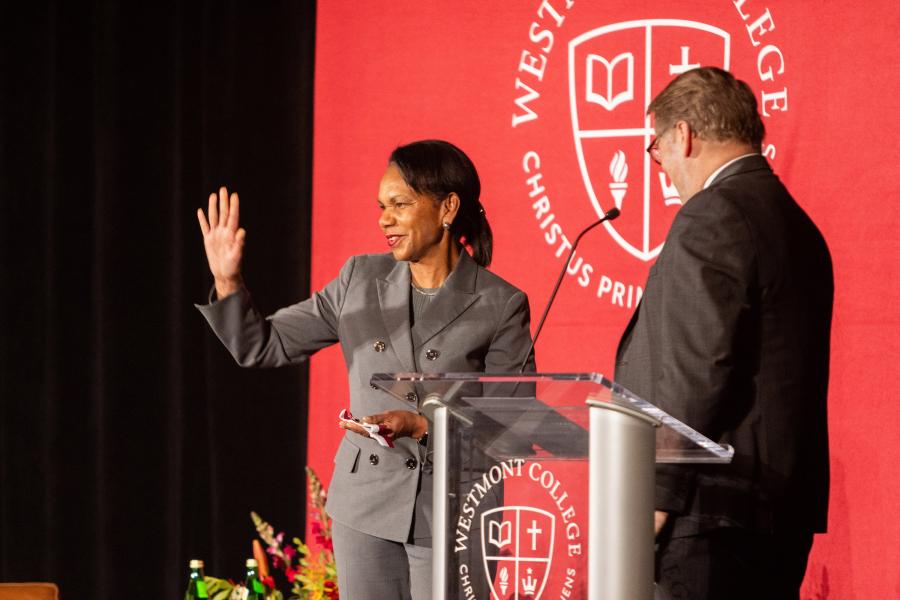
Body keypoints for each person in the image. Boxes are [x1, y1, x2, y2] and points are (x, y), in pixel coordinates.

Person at [195, 139, 535, 600]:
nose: (384, 219)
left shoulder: (501, 302)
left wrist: (423, 424)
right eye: (381, 206)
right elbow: (264, 345)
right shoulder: (360, 278)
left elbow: (513, 424)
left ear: (448, 207)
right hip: (367, 505)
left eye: (400, 204)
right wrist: (228, 281)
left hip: (454, 510)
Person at [614, 67, 833, 599]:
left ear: (682, 136)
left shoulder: (712, 213)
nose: (661, 166)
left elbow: (697, 371)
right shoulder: (797, 224)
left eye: (656, 147)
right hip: (776, 509)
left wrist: (656, 496)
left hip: (708, 510)